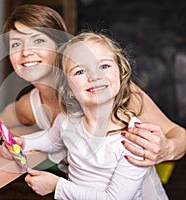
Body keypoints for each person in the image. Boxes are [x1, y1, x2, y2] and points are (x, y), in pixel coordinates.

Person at [0, 4, 185, 170]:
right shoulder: (29, 105)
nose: (25, 52)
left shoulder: (106, 90)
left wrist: (167, 149)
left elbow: (179, 134)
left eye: (38, 40)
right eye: (15, 44)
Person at [19, 31, 168, 199]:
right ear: (68, 89)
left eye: (104, 66)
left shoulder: (134, 139)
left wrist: (56, 185)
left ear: (121, 72)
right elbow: (51, 140)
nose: (94, 76)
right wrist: (24, 142)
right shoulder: (67, 121)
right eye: (80, 71)